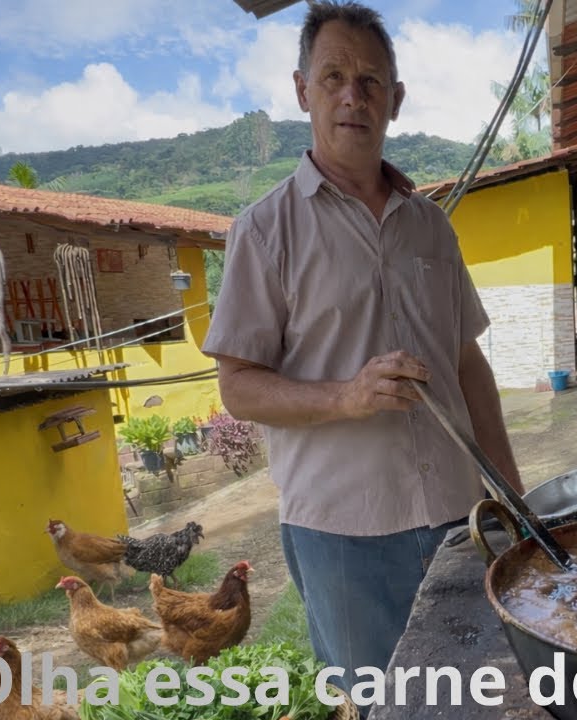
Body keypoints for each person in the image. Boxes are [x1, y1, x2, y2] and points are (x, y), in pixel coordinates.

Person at [200, 0, 523, 709]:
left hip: (458, 516)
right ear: (302, 91)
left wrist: (512, 491)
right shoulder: (264, 231)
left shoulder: (431, 226)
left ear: (395, 99)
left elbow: (467, 364)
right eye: (334, 77)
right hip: (343, 535)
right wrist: (344, 396)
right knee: (381, 702)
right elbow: (238, 386)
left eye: (372, 80)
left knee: (474, 695)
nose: (354, 95)